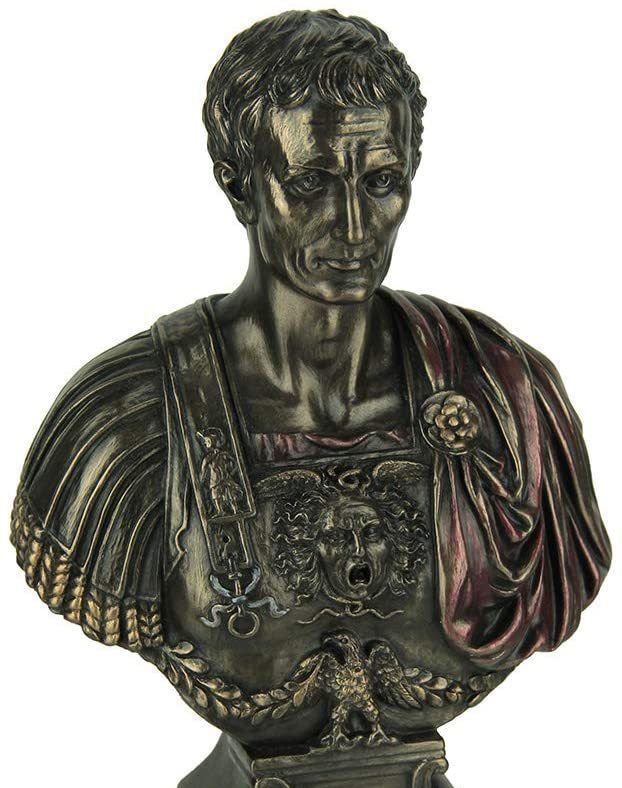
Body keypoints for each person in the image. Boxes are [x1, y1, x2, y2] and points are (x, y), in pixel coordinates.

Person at [10, 10, 610, 747]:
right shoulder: (125, 421)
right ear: (239, 186)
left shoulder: (507, 395)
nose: (354, 226)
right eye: (311, 183)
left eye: (382, 181)